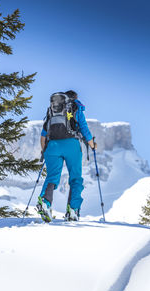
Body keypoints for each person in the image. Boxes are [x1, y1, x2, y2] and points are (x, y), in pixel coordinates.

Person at [36, 90, 96, 222]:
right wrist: (92, 145)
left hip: (52, 146)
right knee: (75, 178)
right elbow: (84, 129)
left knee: (51, 176)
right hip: (71, 146)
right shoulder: (76, 107)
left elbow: (43, 134)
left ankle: (45, 202)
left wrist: (44, 151)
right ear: (74, 99)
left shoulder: (52, 111)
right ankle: (73, 211)